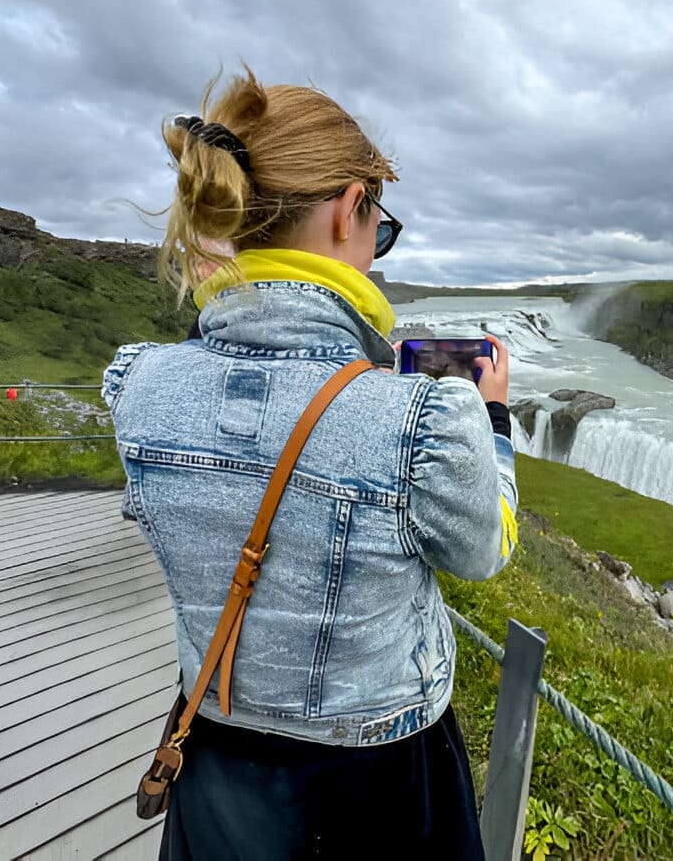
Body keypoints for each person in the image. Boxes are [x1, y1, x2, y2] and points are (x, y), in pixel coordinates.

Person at [101, 67, 517, 859]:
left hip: (216, 754)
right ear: (348, 208)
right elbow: (485, 550)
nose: (375, 251)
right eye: (379, 231)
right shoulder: (426, 417)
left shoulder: (138, 386)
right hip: (383, 774)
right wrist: (491, 420)